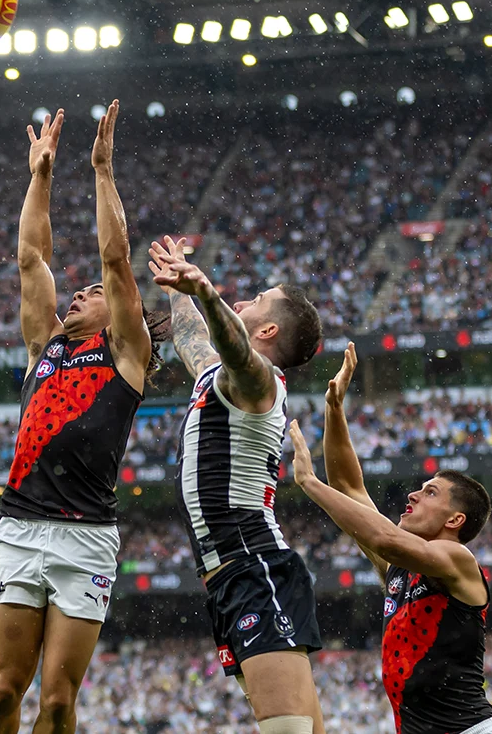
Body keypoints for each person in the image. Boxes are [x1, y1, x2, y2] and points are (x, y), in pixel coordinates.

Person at [0, 100, 160, 734]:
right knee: (5, 690)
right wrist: (42, 175)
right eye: (75, 291)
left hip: (86, 535)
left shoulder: (128, 354)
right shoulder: (46, 347)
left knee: (57, 701)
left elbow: (116, 261)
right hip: (22, 527)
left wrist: (102, 171)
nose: (80, 292)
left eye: (92, 293)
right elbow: (32, 258)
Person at [147, 234, 325, 734]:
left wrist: (204, 289)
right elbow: (191, 338)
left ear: (267, 328)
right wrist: (179, 283)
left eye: (258, 299)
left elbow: (235, 350)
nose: (244, 300)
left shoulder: (258, 376)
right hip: (231, 575)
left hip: (253, 567)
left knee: (285, 730)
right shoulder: (220, 377)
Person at [285, 344, 492, 734]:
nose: (413, 495)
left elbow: (383, 537)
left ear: (456, 519)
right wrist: (335, 410)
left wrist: (308, 483)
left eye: (430, 492)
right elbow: (349, 488)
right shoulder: (400, 570)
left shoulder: (458, 561)